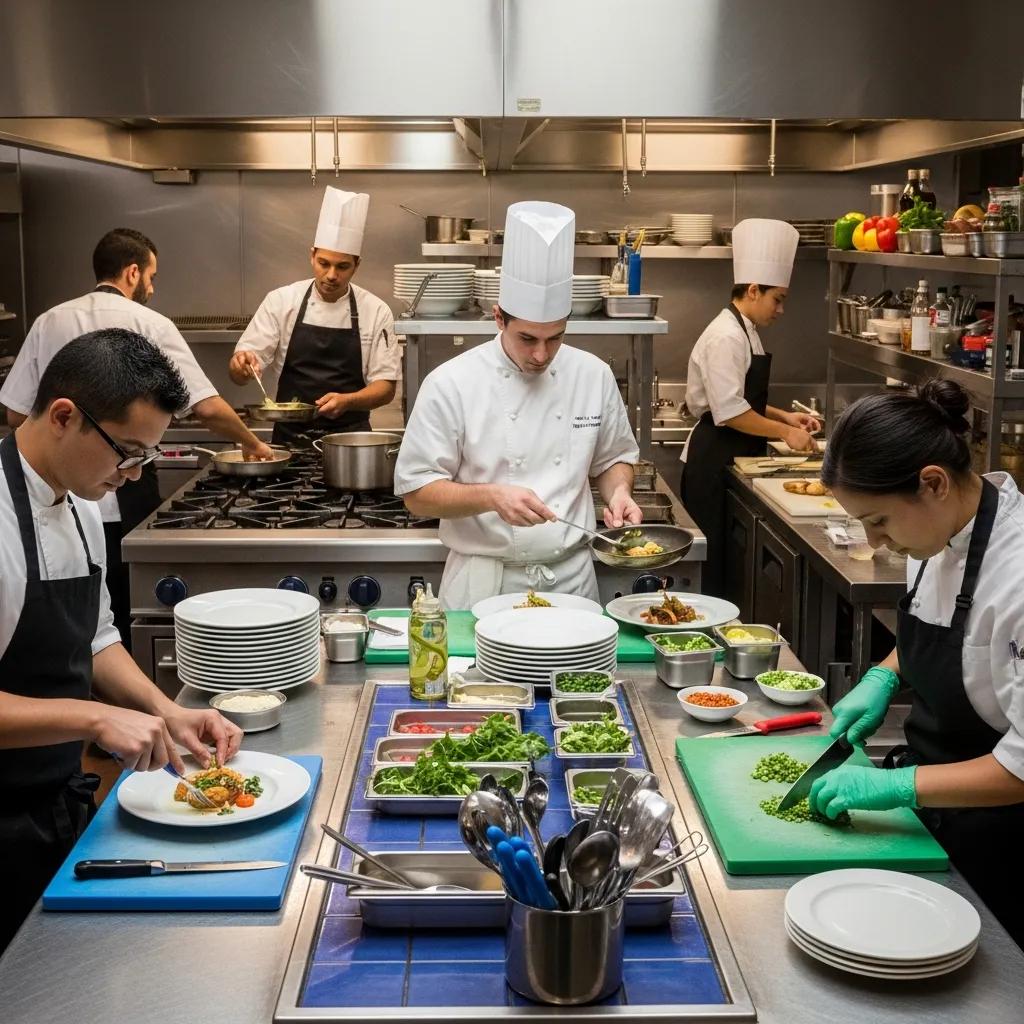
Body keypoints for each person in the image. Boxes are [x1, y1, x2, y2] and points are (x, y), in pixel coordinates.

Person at [0, 328, 243, 952]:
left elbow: (96, 638)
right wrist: (97, 718)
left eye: (145, 457)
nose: (130, 474)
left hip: (54, 803)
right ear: (64, 417)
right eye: (126, 453)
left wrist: (168, 710)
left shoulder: (83, 499)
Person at [809, 380, 1024, 948]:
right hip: (934, 824)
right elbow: (956, 631)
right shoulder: (939, 531)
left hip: (1006, 852)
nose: (874, 541)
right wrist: (886, 672)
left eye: (877, 521)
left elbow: (1020, 768)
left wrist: (897, 785)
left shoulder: (1019, 575)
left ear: (933, 482)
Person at [0, 227, 273, 646]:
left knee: (95, 615)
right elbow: (206, 406)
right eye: (152, 276)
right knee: (124, 599)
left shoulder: (49, 319)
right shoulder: (150, 323)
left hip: (57, 489)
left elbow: (17, 411)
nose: (151, 286)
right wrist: (251, 442)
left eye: (139, 456)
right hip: (118, 507)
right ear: (133, 272)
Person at [393, 201, 641, 610]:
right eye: (527, 338)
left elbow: (612, 458)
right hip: (483, 582)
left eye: (555, 337)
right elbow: (417, 494)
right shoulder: (451, 383)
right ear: (498, 318)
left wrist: (619, 493)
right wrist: (492, 496)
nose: (542, 355)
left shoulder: (592, 375)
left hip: (573, 584)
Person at [679, 219, 820, 596]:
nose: (781, 309)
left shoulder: (746, 330)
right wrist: (786, 433)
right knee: (716, 570)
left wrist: (783, 416)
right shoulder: (726, 336)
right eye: (778, 299)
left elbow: (742, 398)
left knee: (731, 567)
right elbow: (729, 412)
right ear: (753, 290)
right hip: (714, 463)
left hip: (734, 455)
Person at [228, 187, 400, 447]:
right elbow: (238, 375)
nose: (332, 275)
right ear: (312, 256)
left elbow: (385, 388)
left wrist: (348, 401)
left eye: (342, 266)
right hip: (288, 442)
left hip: (350, 443)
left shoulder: (375, 310)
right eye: (324, 263)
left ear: (357, 265)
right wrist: (241, 365)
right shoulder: (281, 301)